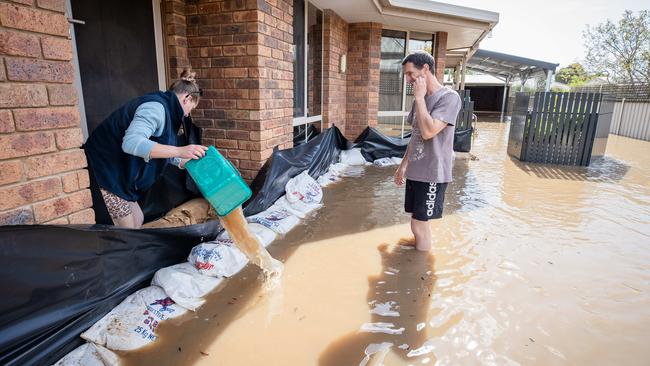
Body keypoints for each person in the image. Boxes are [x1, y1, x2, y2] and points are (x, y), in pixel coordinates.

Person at [84, 68, 208, 228]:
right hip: (104, 173)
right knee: (129, 230)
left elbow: (158, 149)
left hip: (121, 174)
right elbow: (132, 143)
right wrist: (180, 150)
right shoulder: (155, 108)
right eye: (191, 109)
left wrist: (182, 161)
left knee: (138, 218)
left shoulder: (168, 111)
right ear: (187, 98)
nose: (187, 115)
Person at [394, 51, 462, 251]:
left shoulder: (449, 97)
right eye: (406, 75)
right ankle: (419, 249)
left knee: (419, 223)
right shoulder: (419, 100)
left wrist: (420, 99)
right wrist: (403, 166)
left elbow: (429, 131)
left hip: (433, 172)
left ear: (425, 69)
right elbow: (415, 136)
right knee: (417, 222)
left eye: (410, 73)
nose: (408, 79)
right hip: (416, 171)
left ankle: (419, 271)